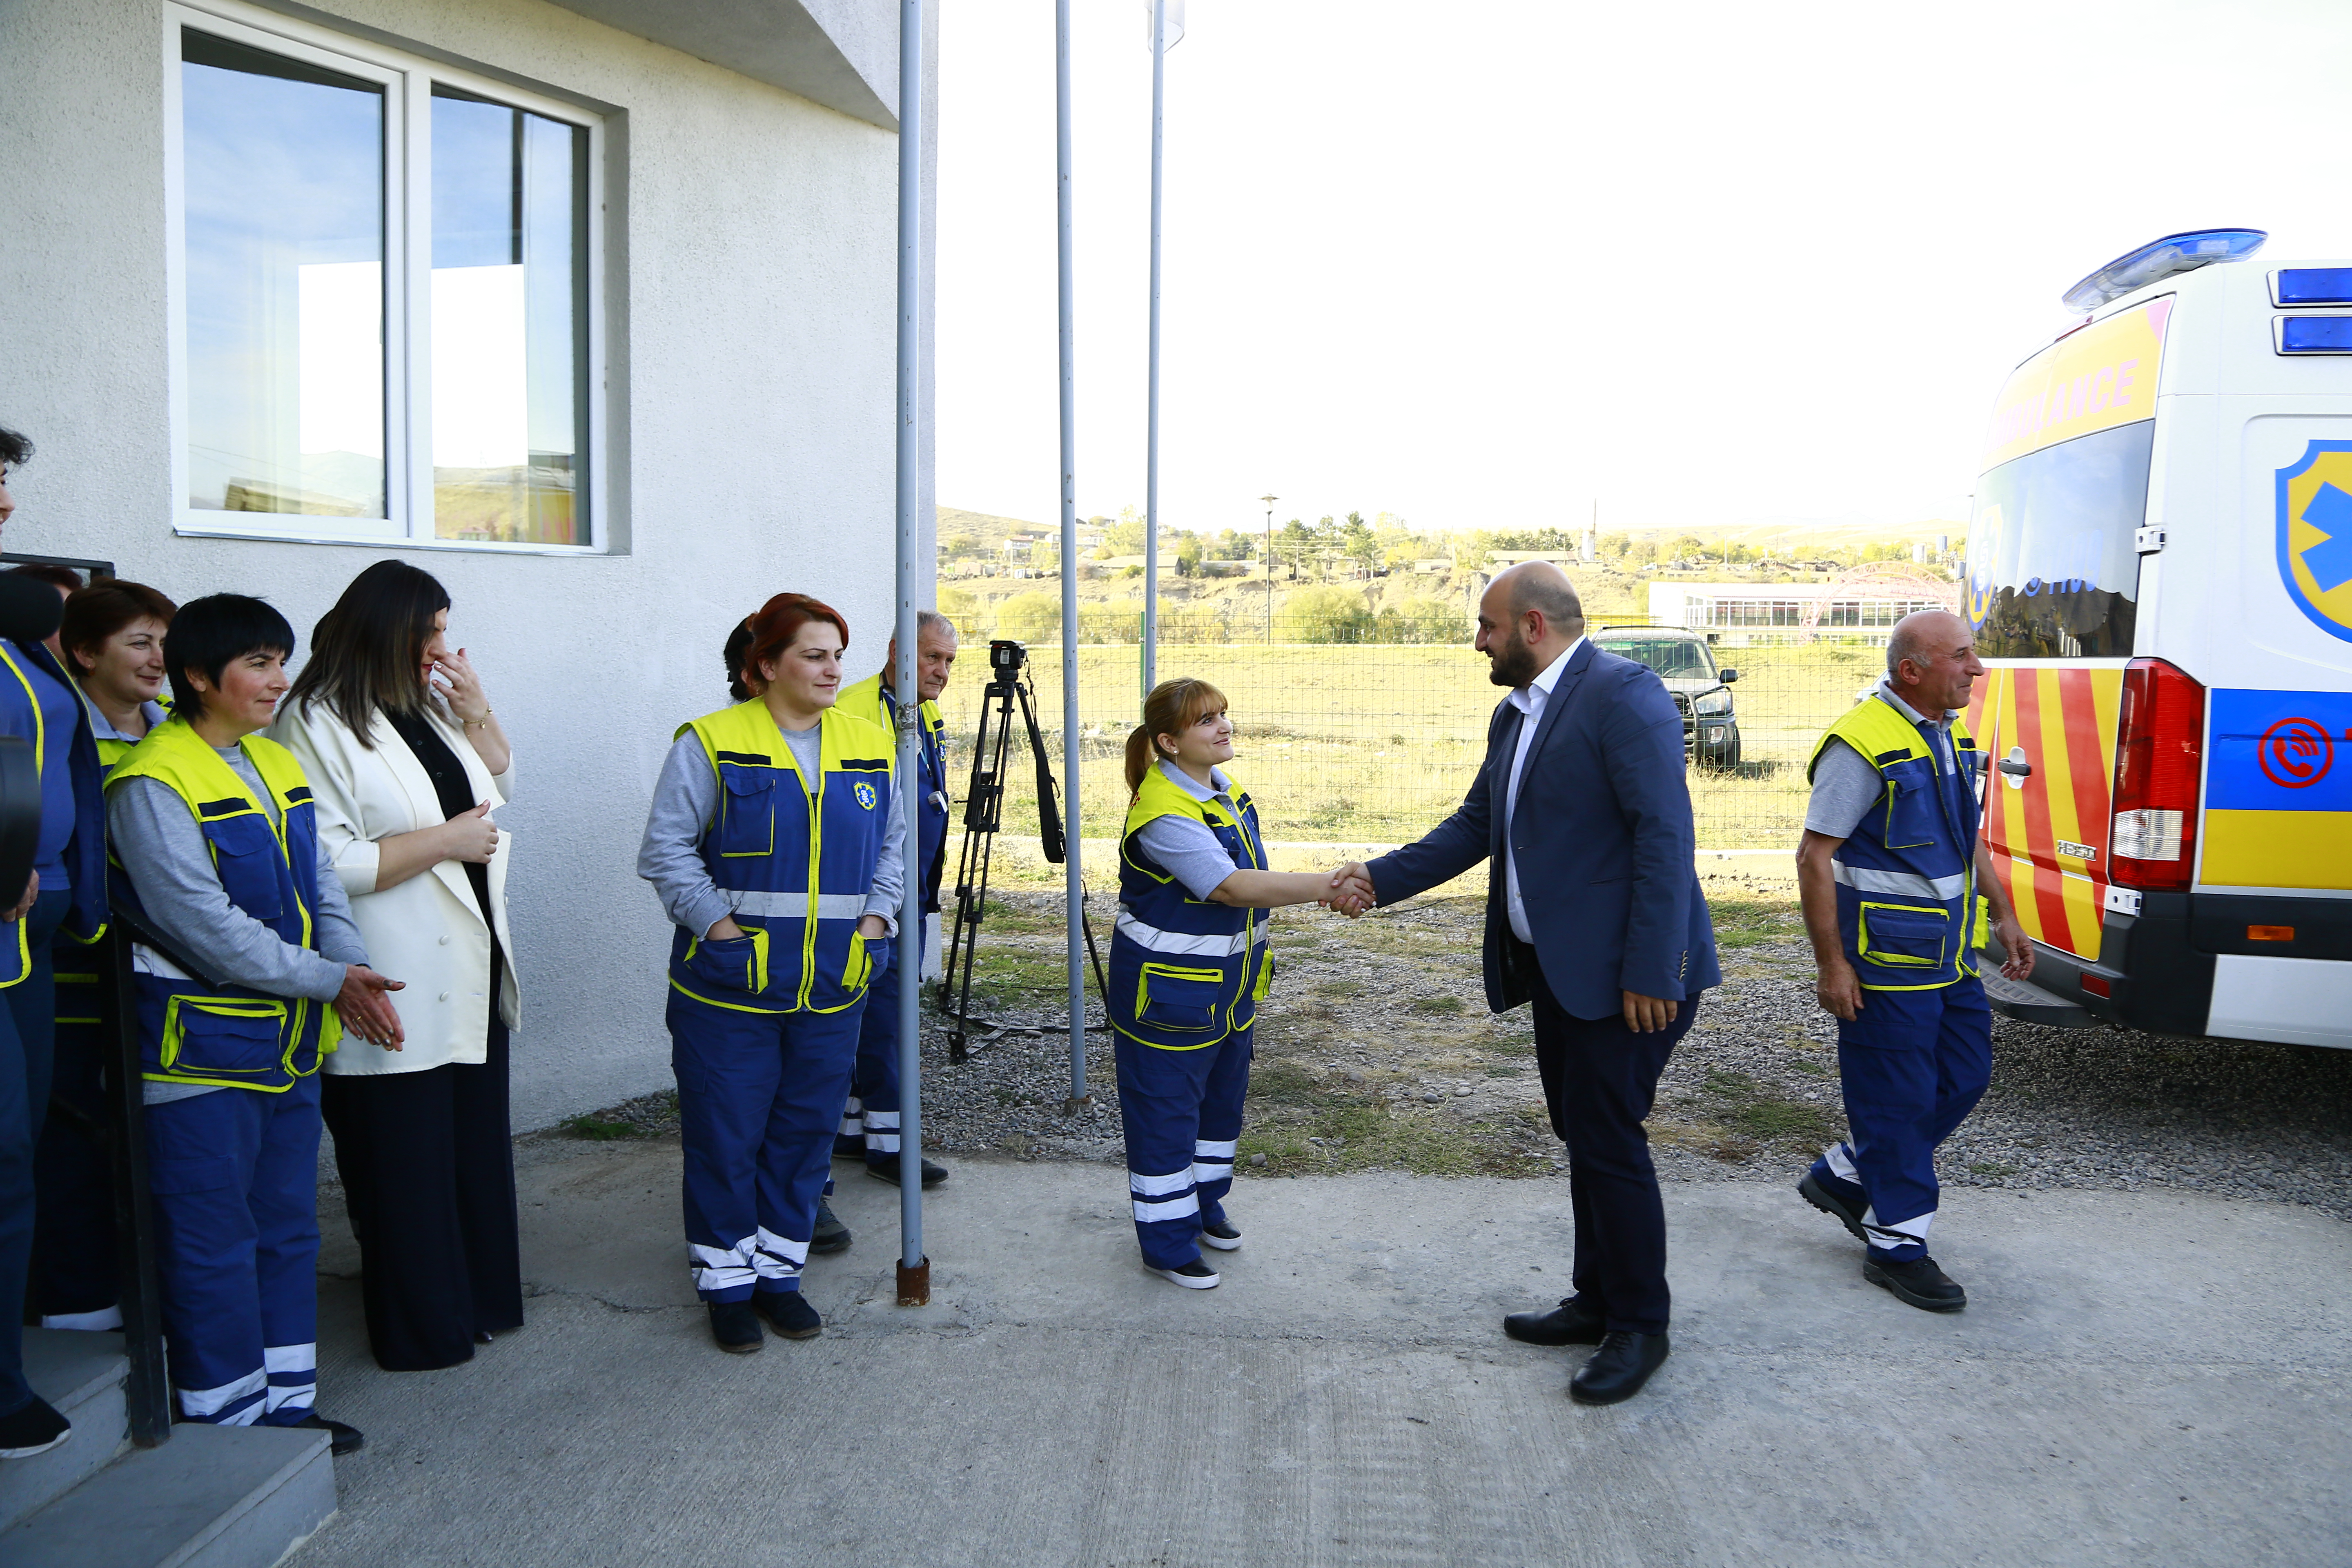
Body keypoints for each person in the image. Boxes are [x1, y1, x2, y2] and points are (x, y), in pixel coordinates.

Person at [1330, 563, 1719, 1405]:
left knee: (1611, 1143)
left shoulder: (1625, 695)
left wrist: (1654, 968)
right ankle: (1596, 1300)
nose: (1480, 643)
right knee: (1583, 1135)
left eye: (1488, 627)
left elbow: (1664, 836)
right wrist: (1378, 878)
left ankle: (1640, 1326)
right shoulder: (1519, 712)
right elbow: (1478, 824)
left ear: (1533, 626)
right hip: (1560, 973)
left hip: (1628, 979)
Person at [106, 593, 404, 1453]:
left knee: (285, 1228)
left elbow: (320, 890)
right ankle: (226, 1422)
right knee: (211, 1238)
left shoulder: (276, 765)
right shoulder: (154, 781)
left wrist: (345, 970)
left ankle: (285, 1404)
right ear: (199, 676)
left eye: (281, 660)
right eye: (259, 664)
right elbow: (205, 926)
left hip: (285, 1047)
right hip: (199, 1056)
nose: (279, 680)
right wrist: (331, 980)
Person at [638, 593, 906, 1353]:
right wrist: (720, 929)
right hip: (728, 986)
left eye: (836, 655)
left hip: (833, 982)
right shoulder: (710, 741)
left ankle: (779, 1278)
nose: (832, 670)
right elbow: (666, 852)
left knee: (804, 1136)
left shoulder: (869, 743)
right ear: (765, 667)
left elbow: (894, 850)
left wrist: (874, 924)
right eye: (813, 655)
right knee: (726, 1136)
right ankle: (725, 1285)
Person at [272, 560, 523, 1370]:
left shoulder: (425, 710)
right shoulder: (314, 720)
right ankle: (423, 1331)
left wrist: (478, 712)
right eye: (431, 631)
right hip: (393, 967)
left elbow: (499, 787)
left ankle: (480, 1302)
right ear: (385, 628)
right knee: (403, 1164)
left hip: (473, 960)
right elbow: (319, 858)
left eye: (446, 630)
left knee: (470, 1149)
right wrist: (447, 842)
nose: (442, 646)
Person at [1793, 609, 2032, 1312]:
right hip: (1885, 965)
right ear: (1912, 671)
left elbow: (1968, 843)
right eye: (1962, 657)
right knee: (1895, 1103)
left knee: (1965, 1075)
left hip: (1950, 958)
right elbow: (1815, 857)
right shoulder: (1860, 745)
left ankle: (1846, 1172)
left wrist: (2005, 912)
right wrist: (1832, 965)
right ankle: (1898, 1243)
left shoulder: (1946, 732)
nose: (1977, 670)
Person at [1112, 677, 1363, 1290]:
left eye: (1224, 714)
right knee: (1166, 1117)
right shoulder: (1164, 813)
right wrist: (1330, 886)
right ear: (1169, 743)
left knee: (1218, 1112)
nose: (1224, 727)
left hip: (1225, 997)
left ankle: (1205, 1207)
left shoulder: (1224, 792)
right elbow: (1230, 887)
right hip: (1169, 999)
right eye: (1206, 721)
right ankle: (1167, 1243)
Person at [0, 427, 111, 1462]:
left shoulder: (18, 640)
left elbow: (68, 760)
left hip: (26, 937)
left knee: (16, 1153)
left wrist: (78, 897)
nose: (4, 509)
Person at [30, 579, 178, 1338]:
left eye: (164, 641)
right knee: (78, 1141)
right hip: (80, 977)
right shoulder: (56, 732)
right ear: (85, 653)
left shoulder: (181, 733)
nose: (159, 659)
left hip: (170, 981)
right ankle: (80, 1308)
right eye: (139, 643)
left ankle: (150, 1301)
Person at [834, 610, 957, 1191]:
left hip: (912, 891)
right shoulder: (854, 708)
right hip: (873, 897)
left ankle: (854, 1133)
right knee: (885, 1017)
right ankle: (890, 1147)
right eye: (932, 658)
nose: (941, 672)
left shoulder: (924, 712)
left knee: (884, 1016)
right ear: (895, 651)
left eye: (949, 662)